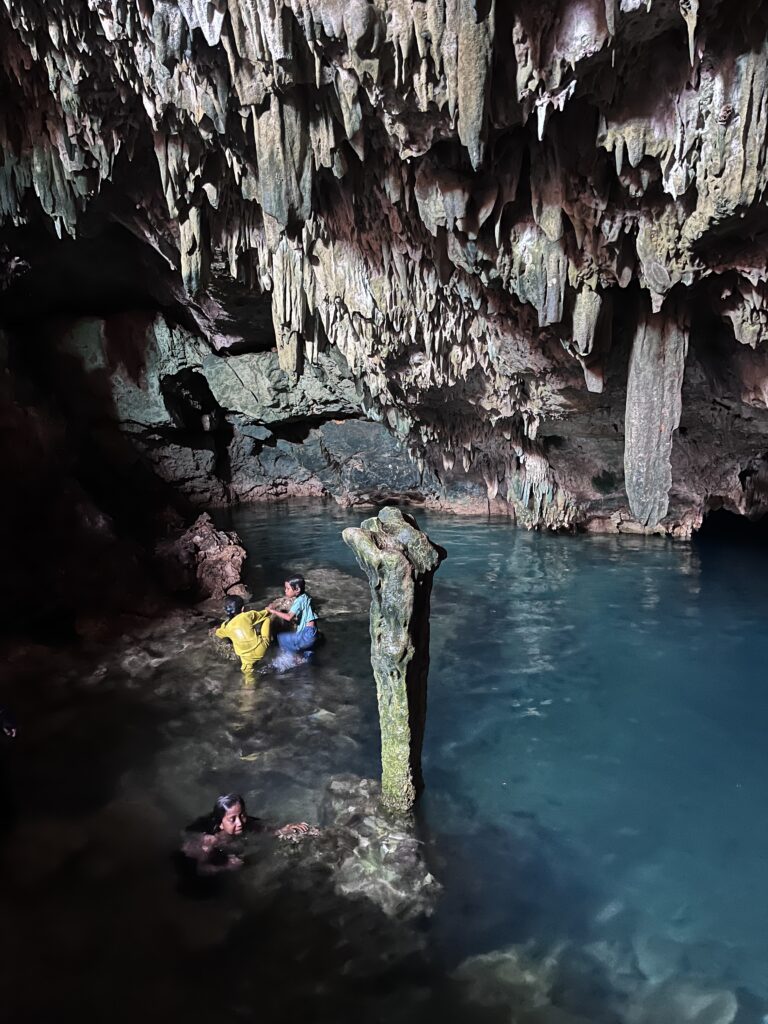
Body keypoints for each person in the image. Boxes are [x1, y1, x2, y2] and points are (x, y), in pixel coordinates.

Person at [180, 793, 318, 876]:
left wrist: (283, 830)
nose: (240, 823)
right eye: (232, 819)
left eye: (242, 815)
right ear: (221, 823)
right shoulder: (209, 842)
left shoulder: (245, 823)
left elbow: (263, 829)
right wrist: (225, 866)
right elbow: (201, 870)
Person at [213, 596, 272, 681]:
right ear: (243, 608)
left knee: (247, 673)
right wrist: (268, 609)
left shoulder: (226, 626)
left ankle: (249, 690)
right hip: (261, 648)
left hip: (247, 657)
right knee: (266, 618)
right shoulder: (247, 615)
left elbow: (218, 634)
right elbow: (262, 614)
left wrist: (217, 630)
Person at [267, 576, 319, 653]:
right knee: (307, 652)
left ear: (297, 590)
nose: (285, 591)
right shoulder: (306, 596)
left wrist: (273, 611)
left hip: (306, 634)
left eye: (288, 589)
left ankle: (290, 658)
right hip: (313, 631)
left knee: (281, 638)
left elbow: (288, 617)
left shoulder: (298, 602)